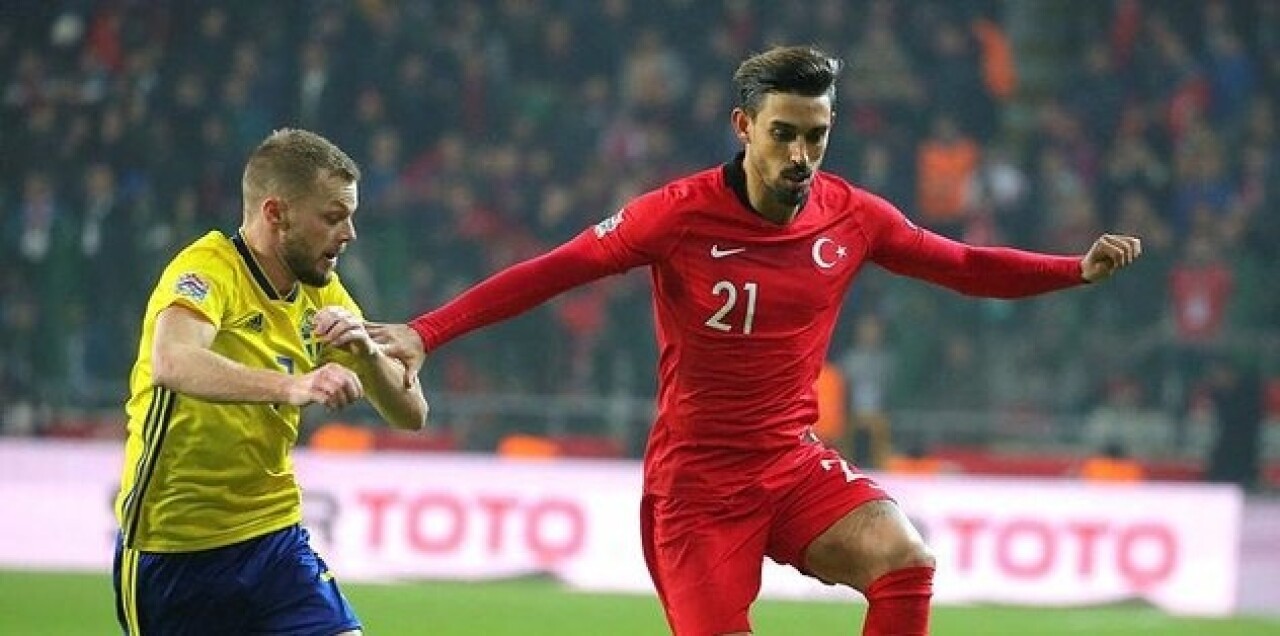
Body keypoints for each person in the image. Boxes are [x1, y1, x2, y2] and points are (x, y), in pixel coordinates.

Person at [372, 46, 1141, 636]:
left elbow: (964, 266)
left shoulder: (853, 216)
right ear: (744, 128)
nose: (800, 156)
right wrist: (427, 331)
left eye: (817, 136)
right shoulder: (676, 215)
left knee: (906, 559)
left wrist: (1073, 269)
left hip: (790, 464)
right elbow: (553, 271)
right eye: (783, 135)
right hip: (697, 488)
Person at [112, 128, 428, 635]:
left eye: (350, 216)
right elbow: (173, 361)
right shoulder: (207, 271)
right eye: (333, 217)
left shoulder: (323, 293)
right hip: (173, 549)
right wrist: (292, 386)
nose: (349, 233)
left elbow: (413, 414)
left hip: (274, 540)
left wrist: (369, 357)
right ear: (276, 213)